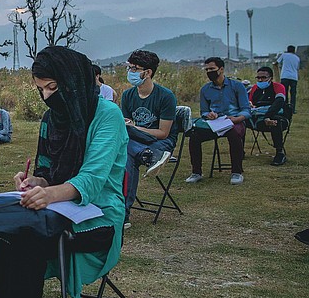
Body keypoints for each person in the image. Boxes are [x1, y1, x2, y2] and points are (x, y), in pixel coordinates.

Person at [0, 46, 127, 298]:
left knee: (28, 233)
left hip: (100, 211)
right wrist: (35, 183)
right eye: (41, 89)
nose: (48, 96)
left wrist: (48, 194)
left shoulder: (108, 116)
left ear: (74, 81)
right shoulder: (52, 119)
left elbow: (92, 179)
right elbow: (46, 171)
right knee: (2, 228)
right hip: (59, 204)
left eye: (53, 87)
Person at [120, 50, 177, 223]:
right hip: (138, 143)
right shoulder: (128, 95)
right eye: (129, 67)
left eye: (135, 68)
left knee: (127, 147)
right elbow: (127, 126)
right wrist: (130, 126)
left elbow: (163, 133)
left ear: (148, 72)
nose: (130, 72)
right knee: (126, 148)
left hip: (160, 143)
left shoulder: (165, 96)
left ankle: (123, 214)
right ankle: (148, 156)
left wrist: (134, 127)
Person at [186, 57, 251, 185]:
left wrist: (237, 118)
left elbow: (246, 110)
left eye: (212, 69)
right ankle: (196, 172)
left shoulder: (237, 86)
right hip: (215, 123)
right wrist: (209, 115)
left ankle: (237, 172)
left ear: (221, 69)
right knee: (194, 135)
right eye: (207, 70)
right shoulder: (205, 89)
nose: (209, 72)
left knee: (234, 135)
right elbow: (203, 111)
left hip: (234, 121)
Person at [248, 66, 288, 166]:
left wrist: (267, 116)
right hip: (257, 117)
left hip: (275, 116)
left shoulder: (278, 87)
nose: (260, 80)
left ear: (270, 78)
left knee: (275, 122)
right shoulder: (254, 88)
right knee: (240, 120)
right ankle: (239, 152)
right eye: (258, 78)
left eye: (263, 78)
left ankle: (279, 153)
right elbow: (249, 103)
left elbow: (279, 102)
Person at [276, 45, 300, 113]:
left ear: (287, 50)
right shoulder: (297, 58)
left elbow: (277, 62)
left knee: (284, 92)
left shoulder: (284, 55)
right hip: (294, 77)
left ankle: (285, 107)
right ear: (294, 50)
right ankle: (292, 109)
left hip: (285, 76)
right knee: (293, 93)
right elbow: (297, 68)